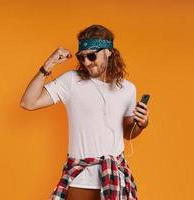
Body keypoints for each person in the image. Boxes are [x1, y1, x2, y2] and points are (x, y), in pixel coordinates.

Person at [20, 24, 149, 200]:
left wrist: (141, 124)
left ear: (109, 52)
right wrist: (48, 64)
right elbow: (28, 102)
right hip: (81, 177)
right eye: (82, 58)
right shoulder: (72, 81)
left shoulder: (127, 89)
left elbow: (128, 133)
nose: (86, 62)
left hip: (115, 177)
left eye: (92, 55)